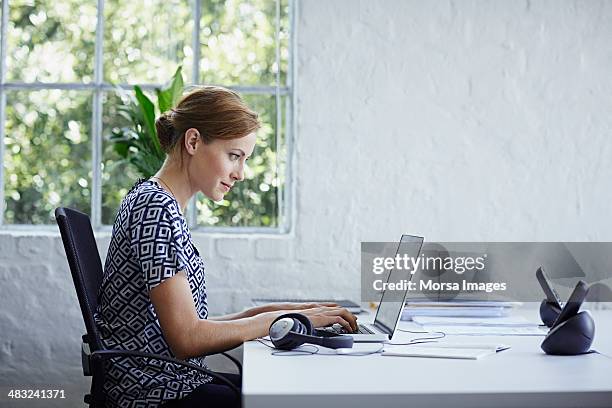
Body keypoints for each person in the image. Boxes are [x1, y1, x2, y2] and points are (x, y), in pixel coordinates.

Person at [94, 86, 358, 408]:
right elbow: (187, 339)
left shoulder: (159, 202)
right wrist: (286, 319)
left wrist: (295, 312)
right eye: (234, 156)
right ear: (193, 142)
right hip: (157, 394)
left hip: (174, 381)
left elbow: (197, 325)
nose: (241, 174)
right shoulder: (155, 208)